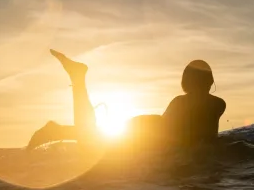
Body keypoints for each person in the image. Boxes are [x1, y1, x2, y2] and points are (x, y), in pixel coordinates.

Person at [27, 50, 226, 149]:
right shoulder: (216, 104)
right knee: (89, 143)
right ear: (210, 80)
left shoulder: (197, 103)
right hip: (147, 131)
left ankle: (75, 83)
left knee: (90, 141)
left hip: (147, 127)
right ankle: (76, 81)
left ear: (186, 81)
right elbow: (193, 140)